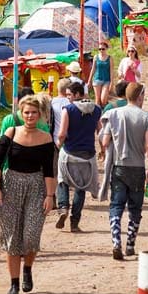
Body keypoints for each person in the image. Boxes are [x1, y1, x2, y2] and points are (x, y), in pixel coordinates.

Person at [0, 94, 57, 294]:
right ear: (21, 113)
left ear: (39, 115)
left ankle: (27, 267)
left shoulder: (45, 138)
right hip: (11, 186)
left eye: (33, 113)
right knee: (12, 237)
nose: (29, 116)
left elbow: (49, 170)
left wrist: (50, 195)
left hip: (36, 186)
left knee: (31, 234)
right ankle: (14, 283)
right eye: (26, 112)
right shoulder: (11, 133)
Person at [101, 82, 148, 260]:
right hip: (137, 168)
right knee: (135, 207)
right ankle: (130, 244)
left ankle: (116, 241)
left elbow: (104, 142)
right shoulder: (147, 117)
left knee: (116, 206)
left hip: (119, 167)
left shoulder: (114, 114)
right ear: (140, 96)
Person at [55, 82, 101, 232]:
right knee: (81, 188)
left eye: (69, 95)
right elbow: (100, 131)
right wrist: (104, 149)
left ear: (77, 94)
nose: (68, 98)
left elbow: (62, 133)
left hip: (69, 152)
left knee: (62, 180)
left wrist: (57, 144)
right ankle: (74, 222)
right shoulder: (96, 109)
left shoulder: (68, 109)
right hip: (87, 155)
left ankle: (63, 207)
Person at [88, 42, 113, 107]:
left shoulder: (110, 58)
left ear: (106, 49)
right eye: (100, 49)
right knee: (97, 99)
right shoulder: (96, 57)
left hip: (106, 80)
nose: (101, 50)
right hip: (97, 79)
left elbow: (111, 71)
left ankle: (106, 108)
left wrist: (112, 83)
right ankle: (98, 115)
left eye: (103, 49)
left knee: (103, 100)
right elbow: (93, 69)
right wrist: (89, 81)